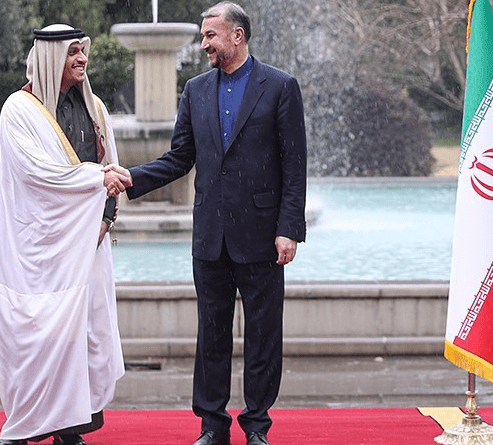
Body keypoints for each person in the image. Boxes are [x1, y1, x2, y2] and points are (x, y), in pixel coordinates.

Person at [105, 3, 307, 445]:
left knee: (263, 337)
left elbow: (295, 166)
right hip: (210, 237)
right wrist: (132, 178)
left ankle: (257, 426)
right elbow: (180, 158)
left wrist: (289, 227)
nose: (204, 44)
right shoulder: (195, 90)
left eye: (210, 35)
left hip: (263, 235)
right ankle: (212, 426)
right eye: (202, 36)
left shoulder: (280, 87)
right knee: (210, 337)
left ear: (237, 36)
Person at [0, 24, 131, 445]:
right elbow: (39, 174)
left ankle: (70, 428)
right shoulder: (18, 110)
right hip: (35, 248)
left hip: (87, 242)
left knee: (81, 335)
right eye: (72, 53)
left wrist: (105, 218)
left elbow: (112, 165)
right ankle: (24, 428)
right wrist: (96, 180)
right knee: (37, 334)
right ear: (51, 58)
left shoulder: (95, 109)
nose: (82, 59)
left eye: (83, 52)